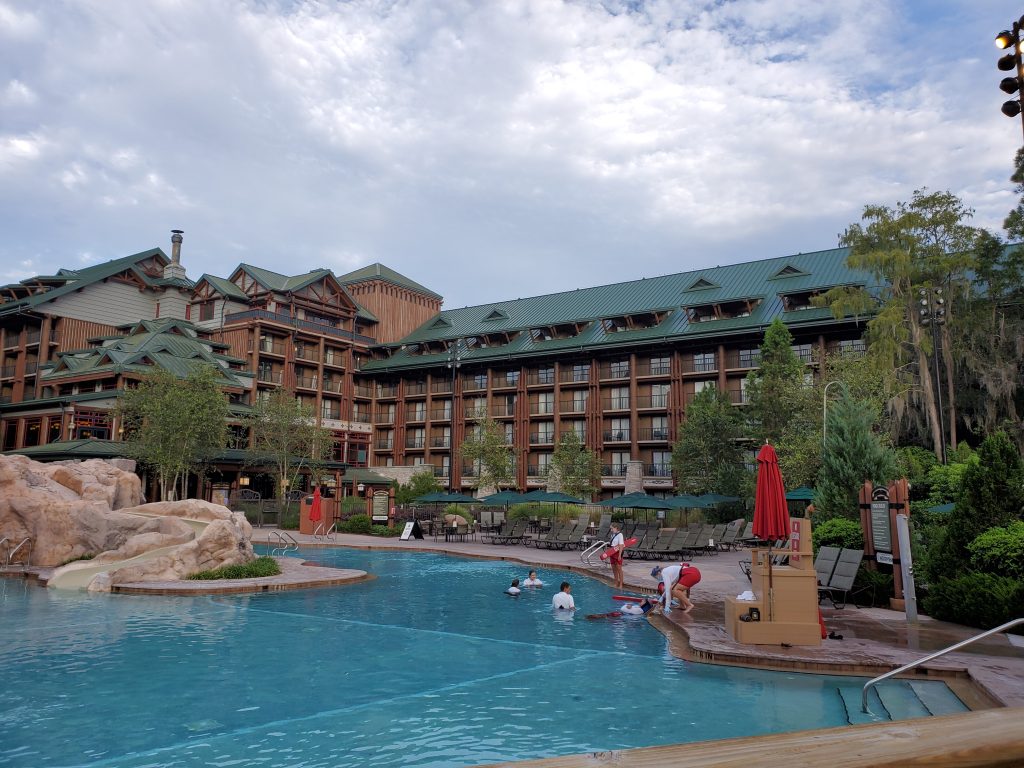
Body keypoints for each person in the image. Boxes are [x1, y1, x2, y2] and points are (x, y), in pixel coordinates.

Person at [607, 521, 625, 590]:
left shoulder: (620, 535)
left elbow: (621, 545)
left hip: (617, 553)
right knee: (614, 569)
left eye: (612, 529)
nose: (611, 530)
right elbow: (612, 544)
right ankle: (616, 583)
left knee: (619, 569)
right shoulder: (613, 535)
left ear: (616, 528)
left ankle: (621, 584)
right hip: (612, 552)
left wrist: (620, 555)